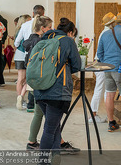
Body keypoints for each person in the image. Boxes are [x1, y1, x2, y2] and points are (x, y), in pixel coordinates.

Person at [33, 18, 81, 163]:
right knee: (49, 129)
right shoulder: (68, 41)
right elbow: (77, 65)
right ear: (70, 32)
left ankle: (55, 157)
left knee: (54, 125)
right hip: (57, 92)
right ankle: (42, 161)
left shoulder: (44, 38)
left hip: (39, 89)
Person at [88, 12, 116, 123]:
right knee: (99, 90)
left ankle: (105, 116)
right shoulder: (109, 33)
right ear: (112, 23)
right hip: (102, 65)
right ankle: (92, 115)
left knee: (103, 91)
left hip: (100, 63)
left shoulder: (105, 32)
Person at [13, 14, 32, 109]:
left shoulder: (18, 30)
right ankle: (21, 97)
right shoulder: (27, 29)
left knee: (20, 79)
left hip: (18, 55)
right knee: (27, 79)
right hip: (25, 54)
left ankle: (19, 99)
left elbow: (16, 43)